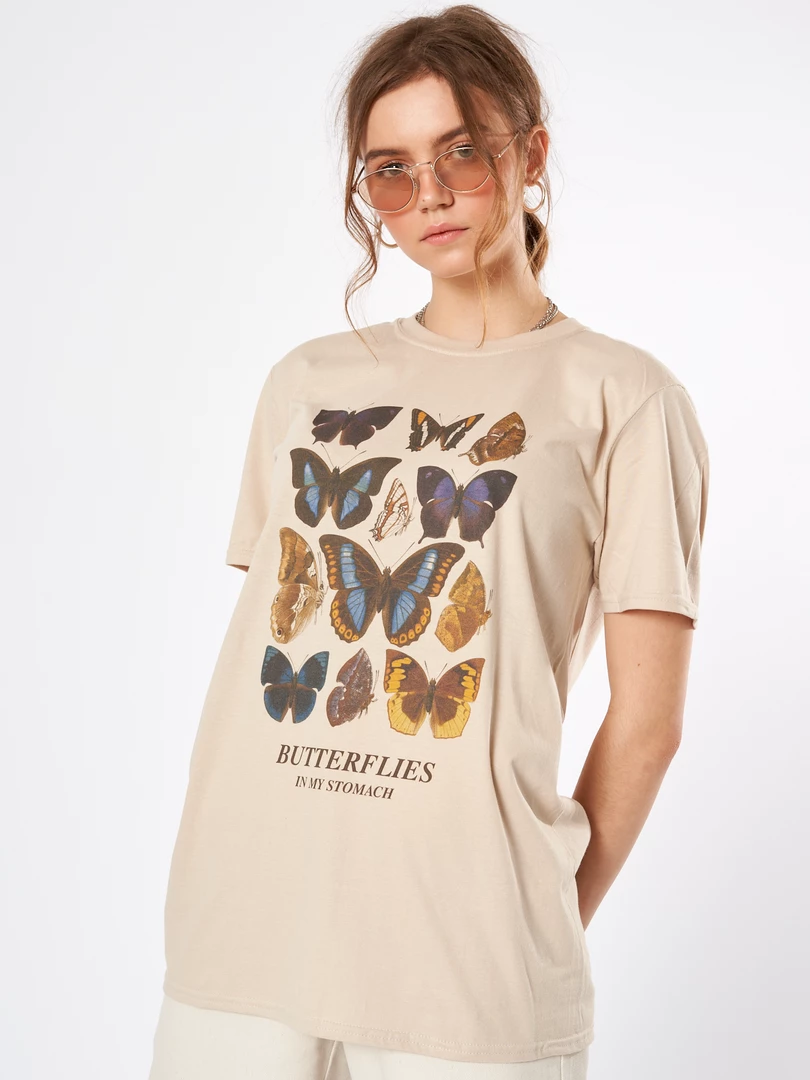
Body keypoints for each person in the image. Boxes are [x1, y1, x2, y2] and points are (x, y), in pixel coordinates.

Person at [147, 5, 710, 1079]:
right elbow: (279, 632)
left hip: (468, 964)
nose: (432, 195)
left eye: (462, 153)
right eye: (392, 172)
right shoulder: (306, 382)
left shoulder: (622, 397)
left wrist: (537, 923)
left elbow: (650, 725)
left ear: (531, 154)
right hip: (241, 926)